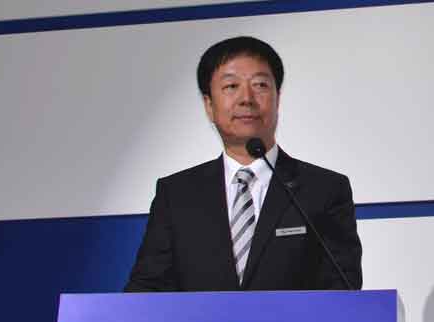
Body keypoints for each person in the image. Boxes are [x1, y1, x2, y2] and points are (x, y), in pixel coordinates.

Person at [125, 36, 362, 292]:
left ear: (278, 98)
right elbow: (145, 292)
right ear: (209, 105)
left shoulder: (324, 190)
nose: (246, 98)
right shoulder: (176, 195)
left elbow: (342, 290)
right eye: (231, 86)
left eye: (260, 85)